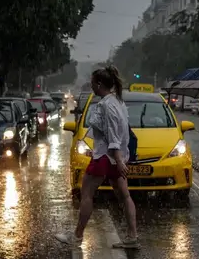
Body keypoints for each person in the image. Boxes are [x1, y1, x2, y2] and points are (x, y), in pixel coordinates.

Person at [55, 66, 138, 249]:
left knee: (87, 194)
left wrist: (116, 158)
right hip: (116, 157)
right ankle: (132, 236)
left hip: (104, 157)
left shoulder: (105, 105)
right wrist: (120, 159)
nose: (91, 86)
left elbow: (112, 135)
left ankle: (77, 236)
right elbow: (122, 132)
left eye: (92, 83)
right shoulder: (118, 102)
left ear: (99, 84)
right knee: (125, 196)